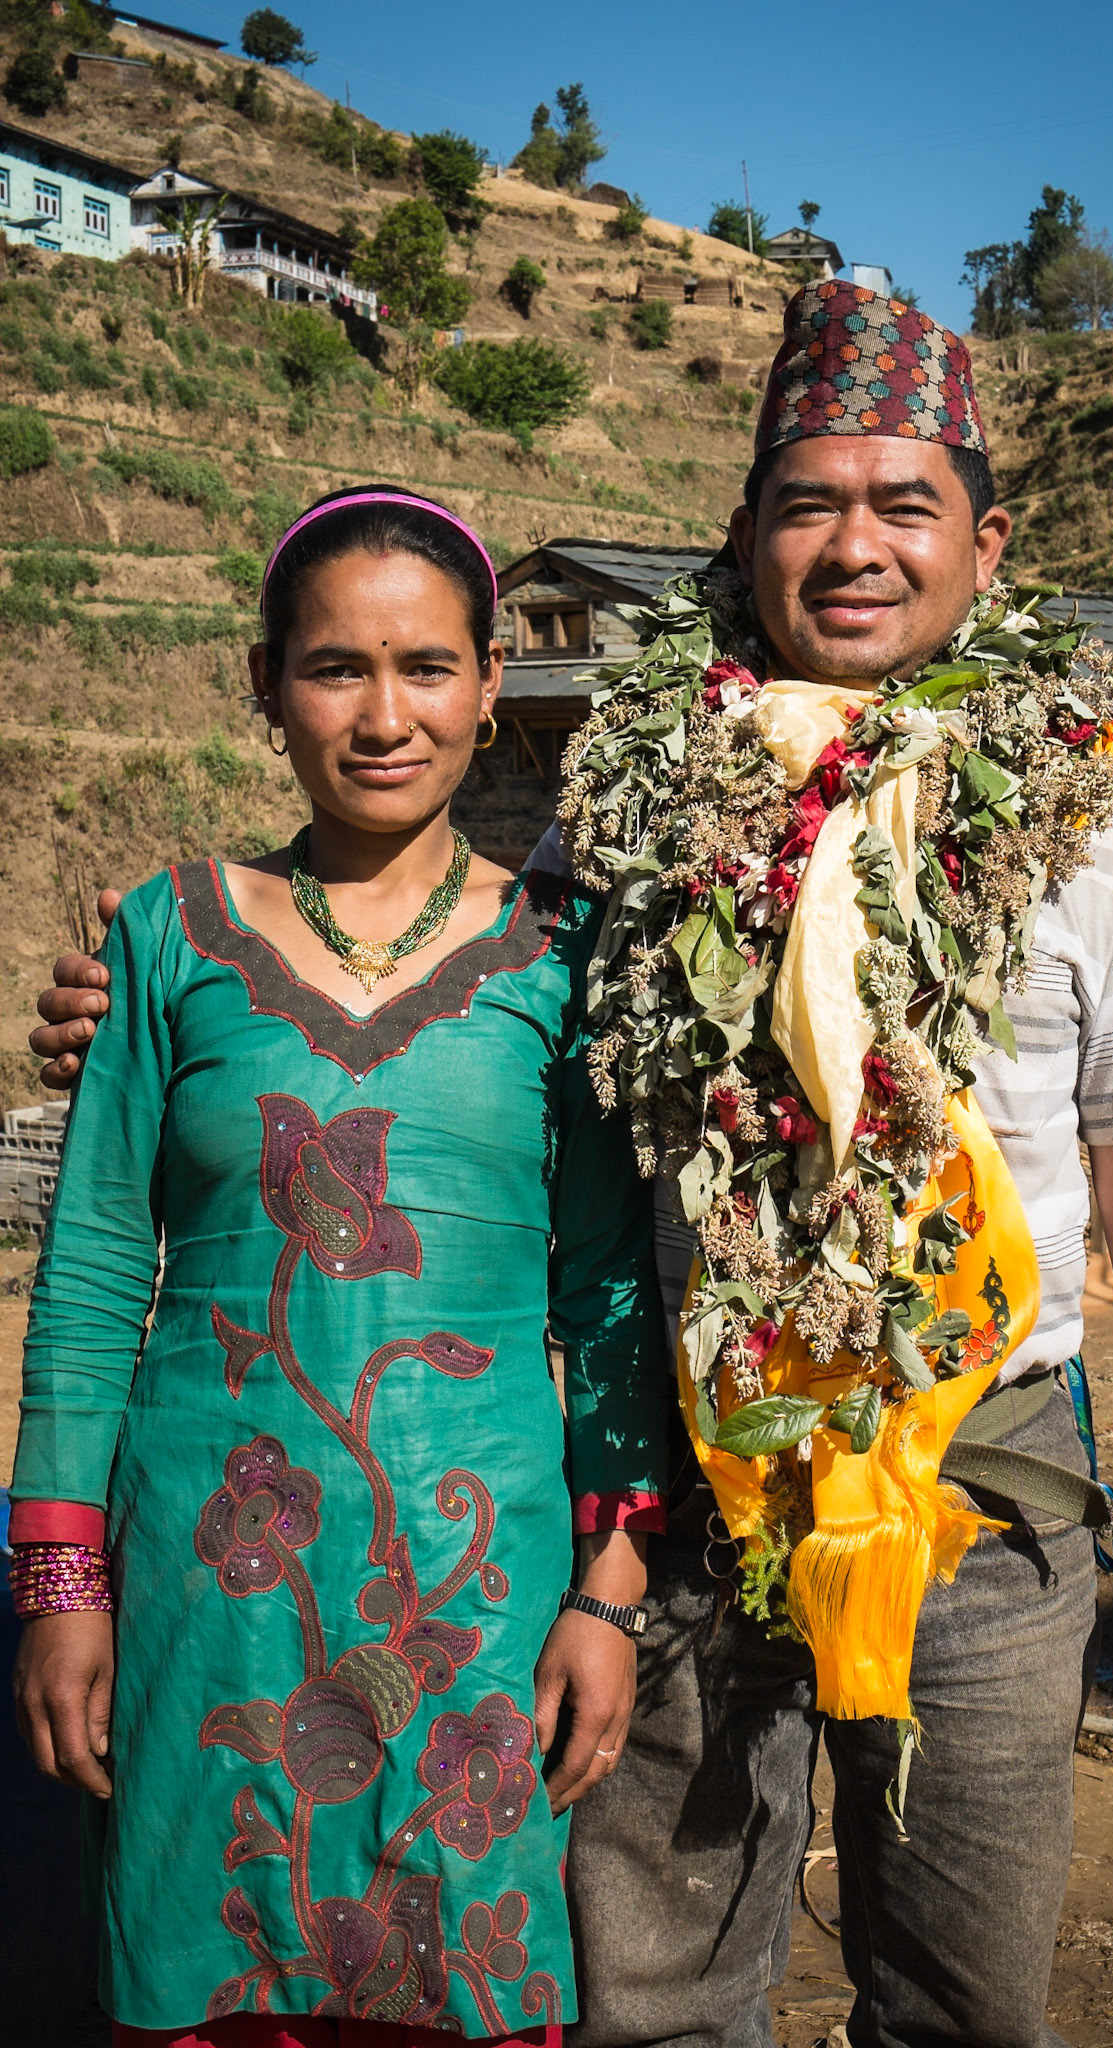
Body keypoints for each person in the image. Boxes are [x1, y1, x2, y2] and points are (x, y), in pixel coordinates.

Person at [33, 288, 1113, 2048]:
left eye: (902, 505)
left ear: (983, 544)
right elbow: (424, 977)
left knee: (963, 1998)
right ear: (743, 535)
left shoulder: (1089, 838)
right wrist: (145, 1003)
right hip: (679, 1518)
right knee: (657, 2005)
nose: (852, 548)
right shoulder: (621, 825)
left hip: (979, 1515)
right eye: (806, 505)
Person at [12, 485, 668, 2048]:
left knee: (466, 1974)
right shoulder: (165, 940)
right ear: (264, 687)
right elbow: (98, 1271)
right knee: (209, 1950)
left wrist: (612, 1591)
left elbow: (611, 1300)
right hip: (207, 1585)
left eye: (427, 666)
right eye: (333, 669)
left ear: (491, 681)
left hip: (480, 1599)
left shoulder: (564, 960)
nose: (385, 716)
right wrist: (56, 1581)